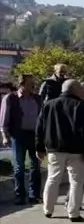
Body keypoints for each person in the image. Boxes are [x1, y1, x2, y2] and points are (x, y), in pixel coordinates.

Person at [35, 79, 84, 221]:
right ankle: (73, 213)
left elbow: (40, 128)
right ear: (74, 90)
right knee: (76, 181)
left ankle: (48, 209)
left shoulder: (48, 105)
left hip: (54, 149)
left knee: (52, 178)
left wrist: (39, 147)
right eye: (79, 88)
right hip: (76, 151)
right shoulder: (80, 105)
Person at [0, 74, 43, 206]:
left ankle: (34, 195)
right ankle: (20, 195)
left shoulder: (37, 98)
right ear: (21, 84)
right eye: (30, 83)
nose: (32, 86)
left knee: (36, 165)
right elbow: (4, 119)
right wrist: (4, 136)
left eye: (33, 83)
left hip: (35, 135)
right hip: (18, 135)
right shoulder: (11, 98)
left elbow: (42, 118)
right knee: (19, 166)